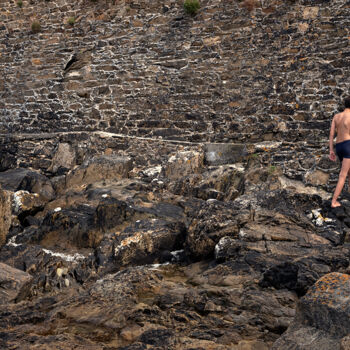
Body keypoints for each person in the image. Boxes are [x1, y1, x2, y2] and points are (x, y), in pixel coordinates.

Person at [329, 97, 350, 207]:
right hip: (348, 145)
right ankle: (334, 201)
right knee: (343, 175)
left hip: (339, 146)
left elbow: (332, 134)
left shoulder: (337, 116)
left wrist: (331, 150)